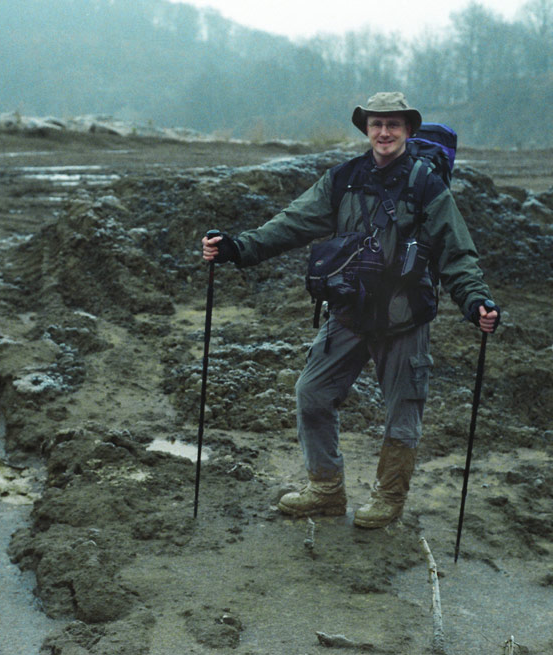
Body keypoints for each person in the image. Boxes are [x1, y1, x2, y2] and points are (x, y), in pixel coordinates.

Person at [201, 91, 500, 528]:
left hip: (405, 317)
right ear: (366, 129)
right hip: (350, 313)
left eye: (393, 124)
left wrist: (476, 303)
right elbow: (292, 223)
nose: (384, 132)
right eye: (377, 124)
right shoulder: (343, 179)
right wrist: (237, 248)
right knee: (312, 393)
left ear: (408, 130)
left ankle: (388, 498)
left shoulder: (427, 186)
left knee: (404, 410)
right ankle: (325, 490)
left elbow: (457, 255)